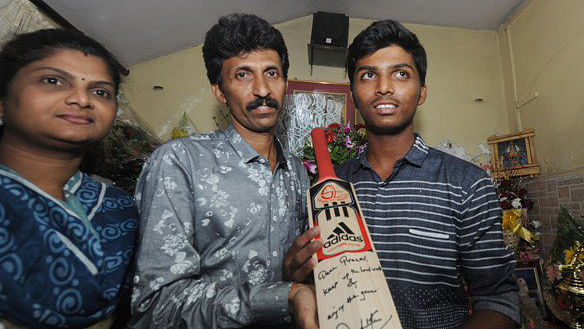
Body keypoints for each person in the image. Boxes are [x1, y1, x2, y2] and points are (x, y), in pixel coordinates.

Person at [130, 13, 319, 329]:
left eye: (271, 73)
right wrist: (286, 295)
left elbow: (287, 272)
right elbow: (157, 308)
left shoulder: (297, 172)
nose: (262, 89)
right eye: (243, 75)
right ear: (219, 91)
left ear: (285, 82)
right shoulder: (178, 162)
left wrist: (295, 272)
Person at [332, 20, 521, 328]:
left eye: (400, 74)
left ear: (421, 93)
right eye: (368, 75)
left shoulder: (467, 184)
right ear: (353, 93)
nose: (384, 87)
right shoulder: (333, 187)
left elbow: (498, 301)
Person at [0, 29, 138, 328]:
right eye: (53, 81)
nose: (81, 99)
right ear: (2, 101)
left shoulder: (118, 207)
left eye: (101, 92)